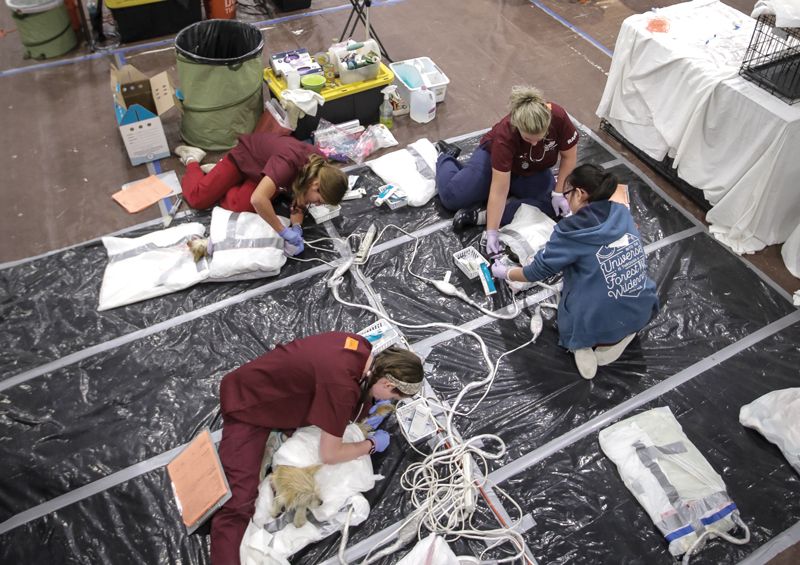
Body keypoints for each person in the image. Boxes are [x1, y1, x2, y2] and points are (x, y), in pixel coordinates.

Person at [210, 332, 424, 565]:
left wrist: (366, 407)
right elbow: (330, 454)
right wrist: (370, 445)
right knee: (238, 501)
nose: (392, 403)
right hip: (247, 404)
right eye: (395, 397)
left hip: (273, 388)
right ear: (388, 383)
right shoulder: (342, 388)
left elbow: (340, 387)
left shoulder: (359, 347)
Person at [490, 164, 659, 380]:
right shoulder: (621, 212)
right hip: (642, 308)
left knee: (573, 306)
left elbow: (535, 272)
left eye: (567, 194)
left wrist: (506, 272)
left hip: (600, 321)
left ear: (580, 194)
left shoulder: (570, 232)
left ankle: (583, 344)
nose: (566, 199)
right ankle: (624, 333)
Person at [435, 85, 579, 255]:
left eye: (540, 138)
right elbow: (499, 189)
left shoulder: (559, 117)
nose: (534, 143)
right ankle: (446, 157)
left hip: (532, 169)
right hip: (494, 163)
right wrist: (492, 232)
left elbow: (569, 157)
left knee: (551, 206)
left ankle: (479, 216)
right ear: (517, 127)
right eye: (528, 139)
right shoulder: (505, 135)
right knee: (454, 198)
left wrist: (558, 193)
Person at [174, 132, 348, 256]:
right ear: (316, 185)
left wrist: (297, 227)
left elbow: (300, 200)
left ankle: (218, 177)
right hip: (245, 158)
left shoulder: (320, 170)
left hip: (266, 173)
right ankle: (192, 160)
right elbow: (258, 199)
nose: (316, 205)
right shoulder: (287, 164)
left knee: (238, 207)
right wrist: (283, 231)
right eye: (319, 201)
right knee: (198, 198)